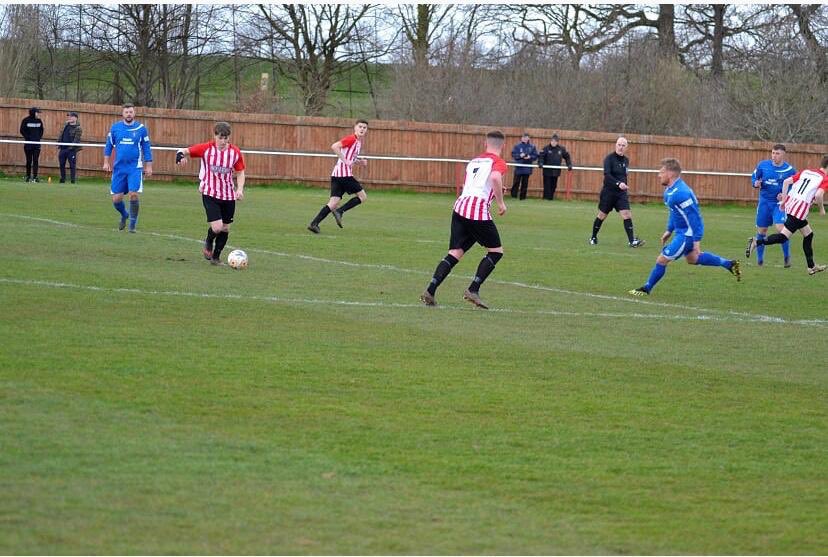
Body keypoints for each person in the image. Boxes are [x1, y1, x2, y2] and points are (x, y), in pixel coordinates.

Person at [420, 130, 508, 309]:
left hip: (460, 206)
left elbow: (475, 185)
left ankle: (430, 290)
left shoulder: (474, 161)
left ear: (485, 143)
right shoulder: (498, 162)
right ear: (503, 146)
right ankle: (473, 289)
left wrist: (495, 191)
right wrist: (500, 203)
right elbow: (495, 177)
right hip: (476, 209)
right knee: (496, 252)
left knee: (455, 252)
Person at [629, 158, 741, 296]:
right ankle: (729, 264)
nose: (659, 175)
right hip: (682, 232)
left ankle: (646, 288)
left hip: (687, 234)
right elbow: (674, 212)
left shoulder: (680, 193)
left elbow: (695, 217)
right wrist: (669, 229)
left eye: (662, 172)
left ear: (670, 174)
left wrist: (696, 241)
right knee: (692, 259)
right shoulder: (670, 191)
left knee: (662, 260)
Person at [175, 122, 245, 266]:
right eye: (220, 138)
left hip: (228, 195)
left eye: (226, 138)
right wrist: (180, 157)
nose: (223, 141)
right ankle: (208, 240)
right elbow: (183, 151)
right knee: (217, 227)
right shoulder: (206, 148)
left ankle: (216, 258)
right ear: (215, 136)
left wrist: (239, 189)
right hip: (210, 193)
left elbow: (240, 172)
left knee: (225, 228)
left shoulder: (235, 152)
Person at [746, 155, 828, 275]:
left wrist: (784, 200)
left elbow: (786, 182)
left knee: (808, 234)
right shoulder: (825, 178)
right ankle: (756, 242)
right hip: (799, 209)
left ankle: (811, 266)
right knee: (783, 237)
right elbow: (819, 195)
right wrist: (821, 209)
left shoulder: (807, 171)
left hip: (792, 204)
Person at [307, 119, 369, 233]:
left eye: (364, 128)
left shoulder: (358, 142)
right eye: (360, 126)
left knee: (333, 203)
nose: (362, 129)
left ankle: (314, 224)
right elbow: (334, 146)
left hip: (337, 175)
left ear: (366, 130)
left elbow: (350, 158)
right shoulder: (351, 138)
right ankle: (340, 211)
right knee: (363, 197)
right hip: (344, 175)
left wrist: (359, 162)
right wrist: (345, 161)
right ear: (355, 127)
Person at [103, 103, 153, 232]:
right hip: (119, 168)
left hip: (134, 168)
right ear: (123, 114)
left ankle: (132, 225)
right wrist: (106, 162)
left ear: (134, 113)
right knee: (116, 199)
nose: (129, 114)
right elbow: (109, 146)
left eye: (131, 112)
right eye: (126, 112)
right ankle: (124, 214)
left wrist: (149, 165)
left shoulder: (141, 129)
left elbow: (146, 148)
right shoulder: (115, 128)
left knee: (133, 194)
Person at [590, 136, 645, 247]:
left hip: (621, 194)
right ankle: (593, 237)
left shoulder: (626, 160)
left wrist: (623, 185)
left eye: (623, 145)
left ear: (626, 147)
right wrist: (618, 183)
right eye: (619, 145)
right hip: (608, 192)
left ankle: (631, 241)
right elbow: (607, 175)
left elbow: (624, 175)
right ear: (616, 145)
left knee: (627, 214)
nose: (621, 147)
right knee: (602, 215)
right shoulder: (609, 159)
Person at [750, 144, 797, 267]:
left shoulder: (790, 170)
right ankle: (760, 261)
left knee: (781, 229)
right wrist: (756, 183)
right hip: (764, 203)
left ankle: (787, 258)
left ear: (783, 155)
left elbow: (796, 186)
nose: (774, 156)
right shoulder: (763, 165)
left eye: (777, 153)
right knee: (762, 230)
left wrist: (785, 194)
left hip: (779, 204)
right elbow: (754, 177)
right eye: (773, 153)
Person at [537, 133, 572, 200]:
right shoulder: (546, 148)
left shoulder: (561, 149)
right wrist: (540, 163)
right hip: (547, 171)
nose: (554, 142)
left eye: (555, 141)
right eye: (552, 141)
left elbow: (567, 157)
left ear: (557, 142)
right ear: (551, 141)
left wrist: (569, 164)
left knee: (553, 186)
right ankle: (546, 198)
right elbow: (541, 157)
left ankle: (550, 198)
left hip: (556, 171)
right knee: (547, 186)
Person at [510, 132, 538, 200]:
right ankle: (513, 196)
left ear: (528, 138)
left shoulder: (532, 147)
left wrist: (529, 157)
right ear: (521, 138)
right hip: (519, 167)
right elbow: (513, 155)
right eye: (523, 137)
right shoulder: (517, 146)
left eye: (526, 137)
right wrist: (520, 155)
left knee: (525, 183)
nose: (525, 139)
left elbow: (535, 156)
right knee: (516, 182)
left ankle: (522, 198)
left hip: (527, 168)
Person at [57, 111, 83, 184]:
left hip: (71, 150)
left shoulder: (78, 128)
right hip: (63, 148)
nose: (69, 118)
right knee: (61, 164)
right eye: (69, 116)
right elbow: (61, 135)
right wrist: (59, 143)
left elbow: (76, 139)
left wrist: (70, 148)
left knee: (72, 165)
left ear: (76, 118)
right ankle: (62, 179)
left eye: (71, 116)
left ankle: (72, 180)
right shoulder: (65, 125)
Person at [20, 107, 44, 183]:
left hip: (37, 144)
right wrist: (28, 138)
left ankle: (35, 177)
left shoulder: (39, 121)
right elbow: (22, 130)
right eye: (37, 113)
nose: (38, 114)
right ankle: (28, 176)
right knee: (29, 160)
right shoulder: (25, 120)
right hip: (28, 145)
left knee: (36, 160)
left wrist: (38, 138)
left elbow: (41, 130)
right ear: (33, 113)